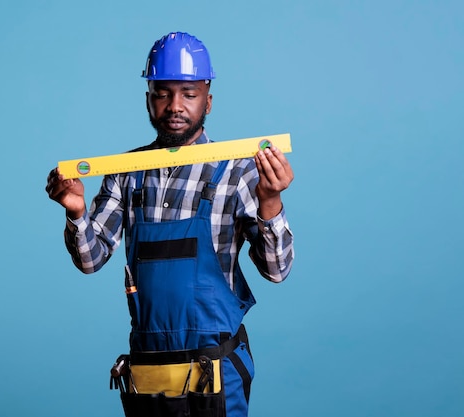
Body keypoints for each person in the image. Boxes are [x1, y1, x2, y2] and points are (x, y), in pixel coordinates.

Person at [46, 31, 294, 417]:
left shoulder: (239, 171)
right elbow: (90, 260)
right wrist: (76, 212)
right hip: (149, 375)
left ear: (207, 100)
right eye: (163, 93)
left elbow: (277, 271)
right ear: (149, 98)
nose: (175, 105)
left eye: (188, 94)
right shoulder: (126, 172)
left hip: (214, 372)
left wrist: (271, 202)